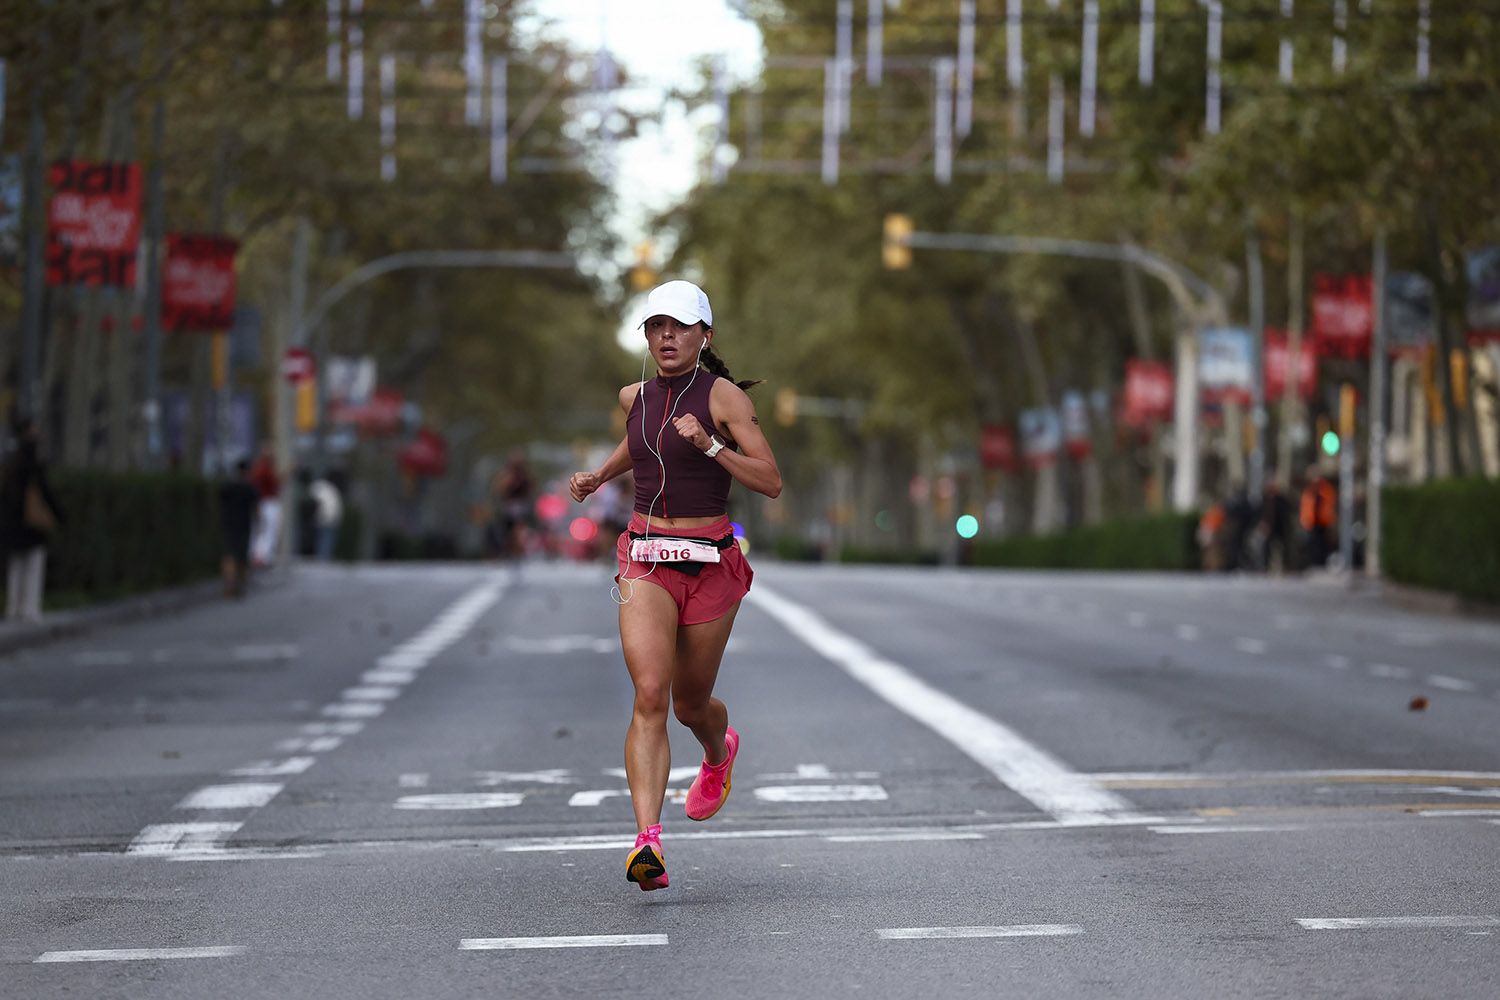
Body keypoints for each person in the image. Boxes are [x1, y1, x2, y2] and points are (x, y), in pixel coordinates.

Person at [568, 280, 782, 893]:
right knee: (651, 691)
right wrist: (597, 477)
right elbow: (640, 447)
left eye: (680, 326)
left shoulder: (725, 400)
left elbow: (770, 480)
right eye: (656, 326)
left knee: (691, 703)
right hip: (645, 556)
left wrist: (712, 444)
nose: (666, 336)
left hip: (711, 560)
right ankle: (647, 843)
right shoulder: (633, 395)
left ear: (703, 336)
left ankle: (719, 750)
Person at [0, 418, 62, 621]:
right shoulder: (34, 461)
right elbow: (45, 491)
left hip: (12, 521)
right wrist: (59, 515)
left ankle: (13, 607)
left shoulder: (10, 461)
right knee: (33, 564)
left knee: (16, 565)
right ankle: (30, 607)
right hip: (30, 522)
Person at [218, 459, 259, 597]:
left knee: (229, 555)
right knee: (241, 557)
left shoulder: (227, 487)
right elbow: (256, 509)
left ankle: (230, 585)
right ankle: (240, 585)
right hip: (244, 526)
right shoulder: (249, 488)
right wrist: (259, 523)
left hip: (229, 525)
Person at [248, 444, 282, 567]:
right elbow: (276, 483)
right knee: (267, 530)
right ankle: (261, 557)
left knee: (264, 530)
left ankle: (260, 556)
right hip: (266, 502)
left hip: (264, 502)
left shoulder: (261, 468)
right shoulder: (264, 469)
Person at [1299, 465, 1337, 570]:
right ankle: (1314, 563)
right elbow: (1306, 506)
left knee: (1323, 544)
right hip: (1312, 522)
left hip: (1323, 522)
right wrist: (1305, 520)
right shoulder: (1309, 490)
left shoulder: (1326, 489)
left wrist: (1330, 520)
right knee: (1313, 544)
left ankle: (1321, 564)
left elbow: (1329, 505)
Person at [309, 473, 344, 561]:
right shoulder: (330, 489)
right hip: (331, 517)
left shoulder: (320, 488)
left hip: (326, 517)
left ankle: (322, 556)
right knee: (327, 538)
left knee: (324, 538)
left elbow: (319, 503)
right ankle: (324, 556)